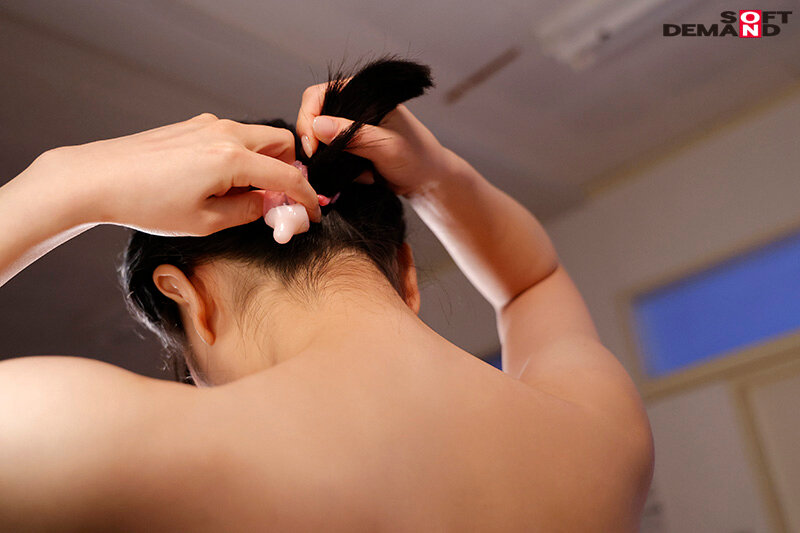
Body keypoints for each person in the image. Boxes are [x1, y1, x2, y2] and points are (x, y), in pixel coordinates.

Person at [0, 59, 653, 531]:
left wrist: (62, 184)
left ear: (189, 298)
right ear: (407, 273)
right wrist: (437, 177)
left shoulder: (90, 442)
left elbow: (529, 281)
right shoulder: (599, 434)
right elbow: (532, 281)